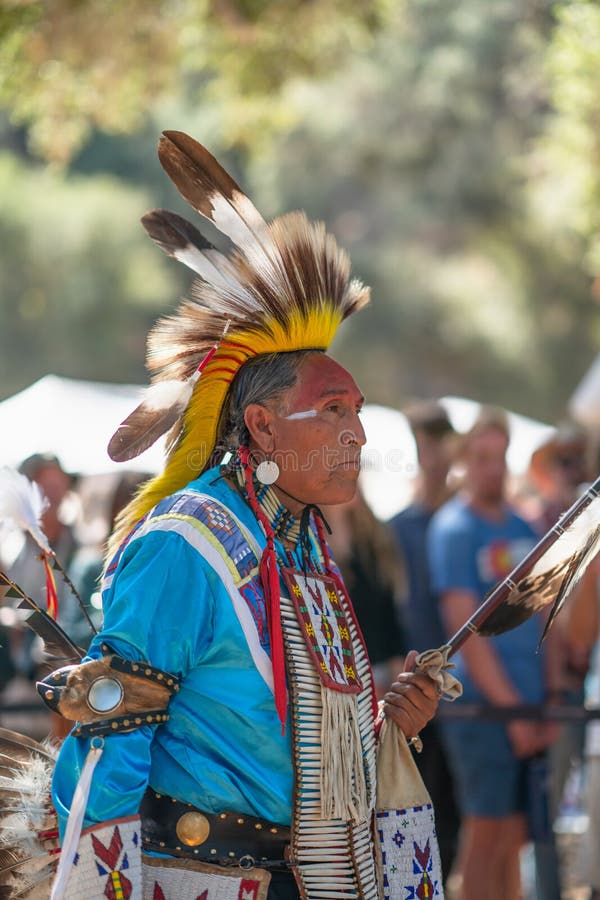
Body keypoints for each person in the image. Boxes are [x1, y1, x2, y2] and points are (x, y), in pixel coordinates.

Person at [34, 132, 443, 900]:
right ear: (260, 427)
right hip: (202, 881)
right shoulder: (188, 543)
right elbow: (110, 738)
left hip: (313, 878)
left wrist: (391, 728)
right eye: (331, 410)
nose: (357, 432)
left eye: (355, 410)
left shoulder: (305, 545)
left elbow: (282, 740)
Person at [428, 407, 558, 900]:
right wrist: (513, 714)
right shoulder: (454, 528)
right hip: (482, 712)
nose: (493, 468)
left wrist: (546, 699)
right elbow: (467, 633)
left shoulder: (525, 526)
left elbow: (547, 618)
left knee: (514, 837)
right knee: (485, 835)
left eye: (500, 457)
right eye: (481, 458)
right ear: (465, 461)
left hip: (528, 707)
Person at [390, 400, 461, 885]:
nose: (431, 454)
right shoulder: (397, 529)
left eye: (438, 440)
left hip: (463, 690)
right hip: (415, 686)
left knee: (458, 813)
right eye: (423, 442)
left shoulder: (462, 521)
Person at [324, 486, 407, 698]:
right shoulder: (307, 548)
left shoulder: (375, 542)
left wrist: (399, 689)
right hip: (337, 683)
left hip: (382, 678)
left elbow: (390, 622)